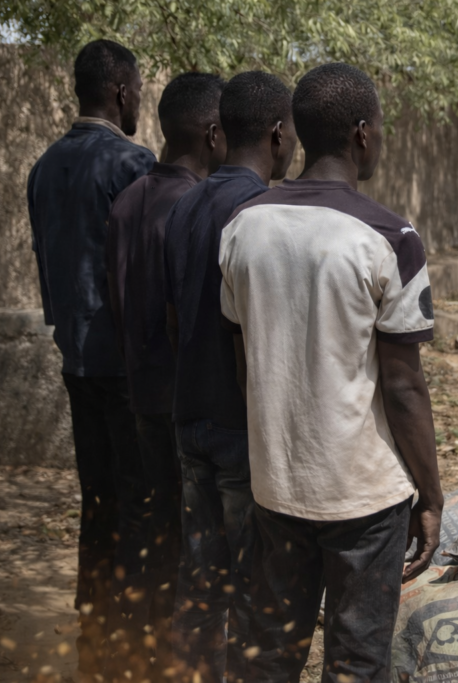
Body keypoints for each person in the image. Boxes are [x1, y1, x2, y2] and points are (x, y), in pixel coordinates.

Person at [218, 63, 443, 682]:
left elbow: (245, 362)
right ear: (362, 133)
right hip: (363, 499)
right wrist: (431, 496)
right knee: (356, 662)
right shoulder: (391, 237)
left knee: (266, 658)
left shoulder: (242, 227)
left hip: (275, 487)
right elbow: (403, 388)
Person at [27, 38, 155, 678]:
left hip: (76, 359)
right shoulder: (133, 163)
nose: (140, 103)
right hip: (126, 366)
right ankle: (130, 635)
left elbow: (45, 264)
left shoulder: (45, 166)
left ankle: (94, 627)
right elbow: (146, 273)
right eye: (138, 92)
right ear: (121, 92)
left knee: (98, 496)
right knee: (139, 500)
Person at [162, 70, 296, 682]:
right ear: (277, 134)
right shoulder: (262, 213)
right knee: (252, 586)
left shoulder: (184, 203)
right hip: (243, 428)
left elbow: (173, 316)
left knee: (200, 580)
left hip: (190, 416)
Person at [104, 71, 227, 674]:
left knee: (160, 532)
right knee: (198, 546)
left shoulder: (128, 199)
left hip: (141, 396)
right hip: (190, 406)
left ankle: (150, 652)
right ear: (213, 134)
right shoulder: (196, 207)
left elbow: (117, 302)